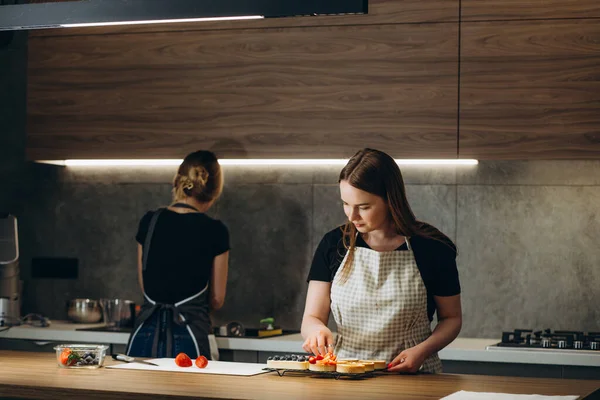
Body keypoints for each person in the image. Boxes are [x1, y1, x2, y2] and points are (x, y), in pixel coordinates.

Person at [301, 148, 462, 373]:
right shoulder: (333, 244)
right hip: (347, 379)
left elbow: (451, 318)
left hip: (414, 377)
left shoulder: (432, 247)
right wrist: (316, 331)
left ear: (390, 199)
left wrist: (422, 350)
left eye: (363, 207)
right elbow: (312, 317)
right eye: (345, 204)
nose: (351, 216)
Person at [126, 150, 229, 360]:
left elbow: (145, 286)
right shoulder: (215, 230)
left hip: (146, 333)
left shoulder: (150, 221)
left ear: (178, 182)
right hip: (190, 336)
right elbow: (217, 299)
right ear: (214, 190)